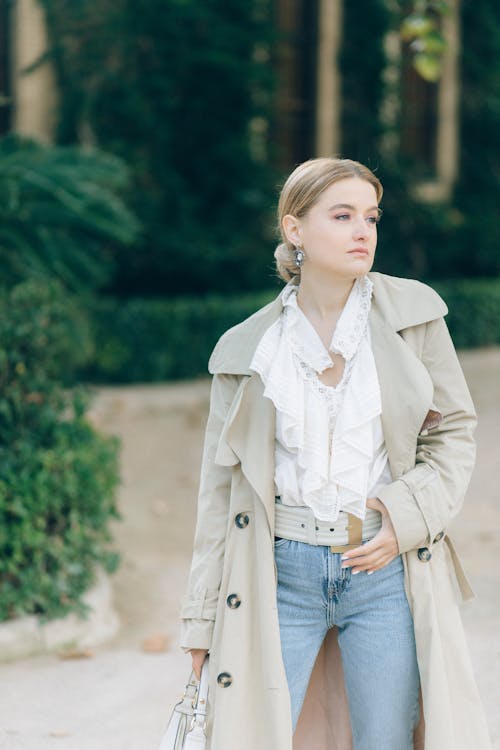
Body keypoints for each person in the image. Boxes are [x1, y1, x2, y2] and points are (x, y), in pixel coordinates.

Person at [179, 157, 492, 749]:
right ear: (294, 230)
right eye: (342, 215)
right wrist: (199, 621)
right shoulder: (246, 350)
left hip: (382, 568)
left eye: (370, 217)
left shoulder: (415, 317)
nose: (362, 231)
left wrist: (407, 517)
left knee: (387, 741)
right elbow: (218, 494)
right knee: (253, 736)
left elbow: (453, 431)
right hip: (279, 576)